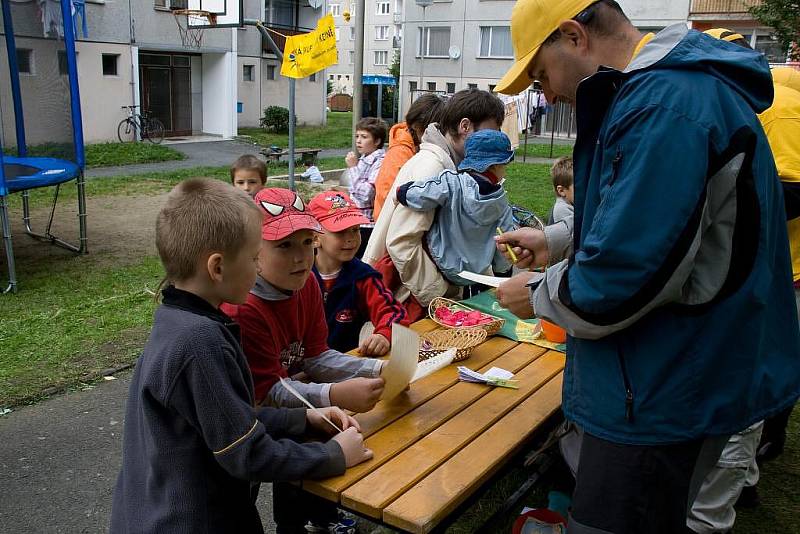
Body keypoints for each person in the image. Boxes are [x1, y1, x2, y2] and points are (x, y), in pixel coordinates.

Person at [492, 1, 800, 533]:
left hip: (658, 386)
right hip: (674, 375)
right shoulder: (674, 93)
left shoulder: (664, 104)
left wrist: (537, 292)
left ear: (573, 36)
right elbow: (663, 223)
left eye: (541, 75)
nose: (546, 95)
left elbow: (620, 280)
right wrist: (559, 239)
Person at [110, 179, 372, 534]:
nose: (257, 267)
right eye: (252, 258)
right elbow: (246, 452)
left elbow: (230, 417)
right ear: (217, 268)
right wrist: (333, 456)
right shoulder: (202, 342)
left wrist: (303, 421)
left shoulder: (180, 321)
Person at [684, 30, 800, 534]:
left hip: (770, 272)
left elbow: (792, 187)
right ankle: (746, 475)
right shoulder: (735, 95)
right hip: (756, 270)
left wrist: (719, 211)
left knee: (743, 387)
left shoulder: (772, 104)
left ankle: (724, 497)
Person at [221, 187, 386, 533]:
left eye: (307, 241)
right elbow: (267, 393)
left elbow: (317, 355)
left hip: (293, 402)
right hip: (245, 418)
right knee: (241, 495)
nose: (301, 256)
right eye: (283, 245)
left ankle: (322, 517)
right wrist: (333, 395)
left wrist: (377, 369)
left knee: (315, 443)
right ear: (253, 251)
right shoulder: (245, 308)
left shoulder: (306, 285)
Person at [363, 88, 505, 318]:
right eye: (491, 132)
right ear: (465, 127)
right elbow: (402, 243)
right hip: (410, 303)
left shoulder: (453, 166)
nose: (495, 138)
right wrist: (442, 299)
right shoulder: (432, 167)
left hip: (423, 299)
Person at [395, 129, 515, 286]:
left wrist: (402, 191)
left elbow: (421, 195)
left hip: (443, 263)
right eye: (504, 166)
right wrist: (503, 272)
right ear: (495, 166)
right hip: (475, 273)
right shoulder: (503, 205)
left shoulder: (452, 183)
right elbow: (504, 246)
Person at [308, 190, 410, 356]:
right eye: (340, 232)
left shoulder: (364, 277)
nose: (351, 238)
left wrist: (383, 335)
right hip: (298, 370)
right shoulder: (298, 276)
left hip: (344, 365)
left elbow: (393, 312)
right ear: (315, 237)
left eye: (355, 230)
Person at [373, 93, 448, 220]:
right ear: (417, 126)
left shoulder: (415, 147)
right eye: (435, 128)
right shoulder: (400, 151)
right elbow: (387, 194)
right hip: (390, 223)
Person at [346, 117, 388, 257]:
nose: (358, 140)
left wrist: (352, 168)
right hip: (356, 221)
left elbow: (366, 194)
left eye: (364, 137)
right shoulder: (364, 158)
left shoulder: (379, 161)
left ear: (377, 141)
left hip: (367, 224)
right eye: (357, 136)